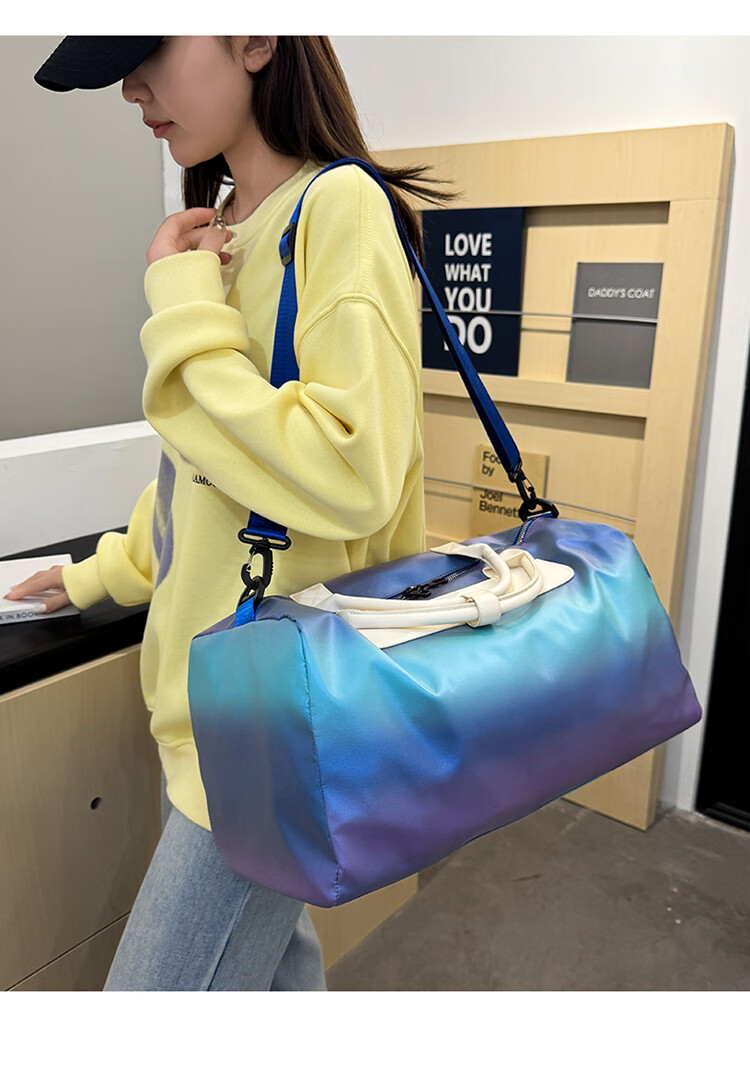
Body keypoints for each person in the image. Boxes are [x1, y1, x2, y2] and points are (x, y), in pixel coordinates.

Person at [8, 35, 458, 991]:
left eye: (149, 50)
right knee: (272, 982)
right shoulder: (226, 227)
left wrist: (180, 305)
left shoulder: (337, 206)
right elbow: (202, 479)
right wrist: (98, 574)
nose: (131, 88)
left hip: (275, 732)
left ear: (255, 36)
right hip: (218, 709)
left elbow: (352, 472)